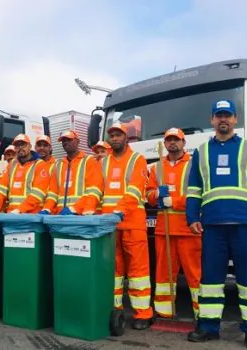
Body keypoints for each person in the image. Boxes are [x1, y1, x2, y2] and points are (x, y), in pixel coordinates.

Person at [186, 100, 247, 350]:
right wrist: (192, 218)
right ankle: (208, 327)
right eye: (218, 115)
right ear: (212, 120)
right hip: (212, 226)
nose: (223, 119)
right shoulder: (201, 152)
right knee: (210, 280)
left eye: (228, 115)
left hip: (246, 226)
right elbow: (193, 189)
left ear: (235, 119)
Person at [100, 123, 153, 335]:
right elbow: (96, 190)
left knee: (138, 271)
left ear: (126, 137)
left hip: (132, 223)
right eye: (111, 135)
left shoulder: (137, 159)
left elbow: (134, 190)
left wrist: (118, 210)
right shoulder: (102, 163)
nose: (114, 138)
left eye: (118, 135)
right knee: (113, 270)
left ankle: (143, 314)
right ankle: (116, 308)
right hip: (110, 224)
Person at [146, 128, 200, 319]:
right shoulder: (157, 167)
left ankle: (201, 314)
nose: (172, 143)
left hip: (188, 229)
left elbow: (199, 194)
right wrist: (157, 195)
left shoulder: (195, 164)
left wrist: (174, 201)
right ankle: (164, 312)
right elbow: (148, 195)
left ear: (183, 143)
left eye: (176, 139)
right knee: (163, 274)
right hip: (164, 229)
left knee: (195, 274)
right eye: (168, 140)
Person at [41, 130, 103, 215]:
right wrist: (47, 208)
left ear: (77, 141)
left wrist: (74, 209)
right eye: (63, 141)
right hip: (61, 216)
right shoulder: (58, 165)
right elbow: (53, 192)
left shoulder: (89, 161)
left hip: (81, 215)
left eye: (69, 139)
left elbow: (93, 190)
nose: (65, 142)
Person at [0, 134, 50, 214]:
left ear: (30, 146)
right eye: (17, 146)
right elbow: (2, 189)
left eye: (23, 145)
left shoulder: (40, 165)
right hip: (12, 214)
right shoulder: (12, 164)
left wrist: (20, 210)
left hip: (32, 216)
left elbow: (38, 193)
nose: (20, 148)